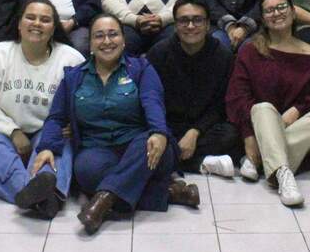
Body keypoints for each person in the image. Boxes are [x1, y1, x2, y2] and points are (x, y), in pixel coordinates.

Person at [32, 13, 200, 234]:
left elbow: (153, 102)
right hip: (98, 149)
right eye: (99, 36)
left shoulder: (141, 68)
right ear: (90, 43)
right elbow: (56, 117)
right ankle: (169, 192)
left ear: (123, 39)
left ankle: (102, 201)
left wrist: (159, 132)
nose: (107, 41)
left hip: (141, 147)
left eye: (113, 34)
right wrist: (46, 147)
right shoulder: (74, 77)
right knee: (85, 170)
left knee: (146, 145)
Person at [0, 0, 85, 218]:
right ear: (19, 24)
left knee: (60, 148)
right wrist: (12, 131)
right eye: (30, 17)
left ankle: (39, 194)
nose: (37, 23)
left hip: (50, 129)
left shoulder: (71, 58)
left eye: (45, 20)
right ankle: (44, 198)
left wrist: (74, 122)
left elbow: (86, 99)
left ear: (54, 28)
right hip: (2, 128)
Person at [225, 0, 310, 207]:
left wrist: (297, 110)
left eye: (282, 7)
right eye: (269, 10)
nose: (276, 13)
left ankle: (262, 165)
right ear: (263, 19)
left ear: (293, 12)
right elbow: (237, 95)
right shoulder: (251, 50)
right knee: (263, 108)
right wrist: (249, 136)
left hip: (292, 124)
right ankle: (284, 174)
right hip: (257, 125)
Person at [147, 0, 240, 176]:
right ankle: (200, 162)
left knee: (231, 134)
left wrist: (195, 132)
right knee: (147, 138)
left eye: (197, 20)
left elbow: (221, 104)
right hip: (168, 125)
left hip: (204, 127)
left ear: (207, 24)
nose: (190, 26)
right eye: (184, 20)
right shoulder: (159, 53)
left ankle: (175, 159)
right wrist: (162, 131)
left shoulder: (222, 55)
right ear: (175, 25)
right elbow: (152, 99)